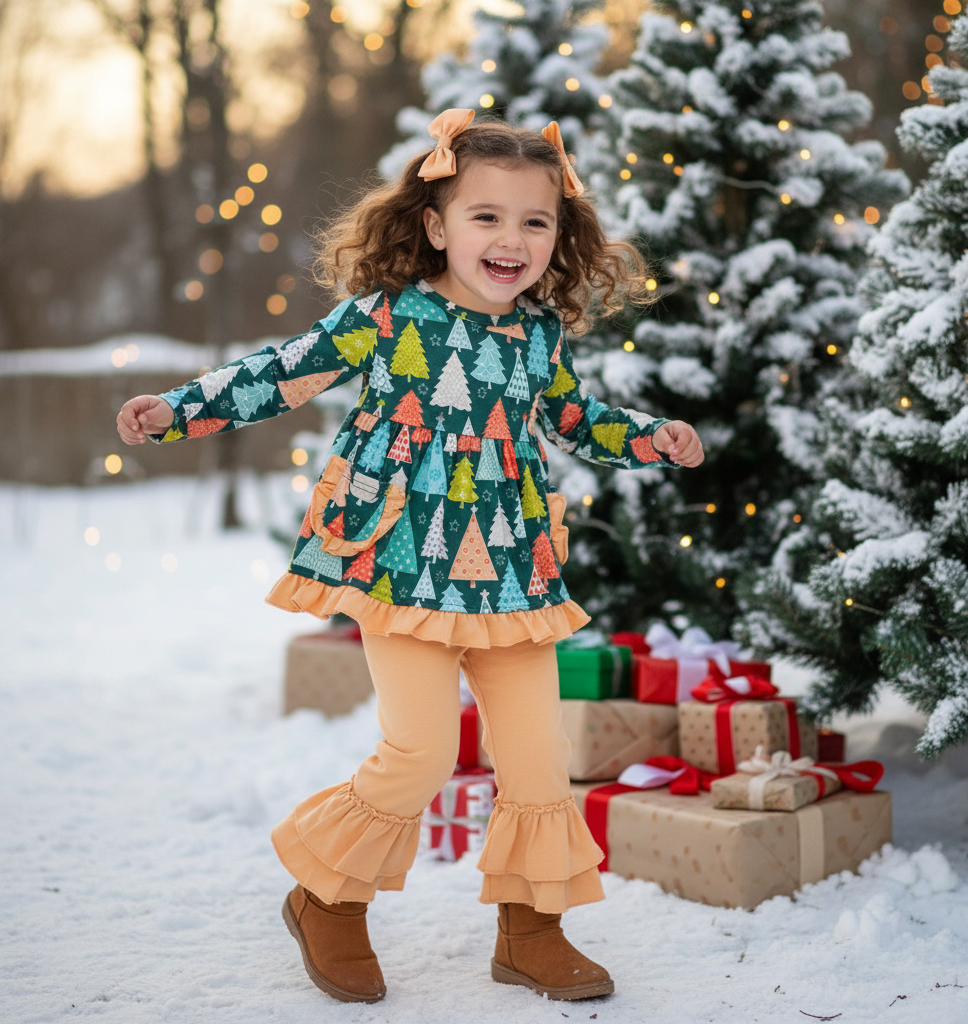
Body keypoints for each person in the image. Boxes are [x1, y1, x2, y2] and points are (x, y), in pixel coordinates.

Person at [116, 110, 703, 1005]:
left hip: (513, 573)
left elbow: (579, 421)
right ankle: (327, 899)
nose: (511, 240)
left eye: (534, 222)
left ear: (560, 235)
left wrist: (652, 438)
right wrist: (181, 408)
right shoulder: (387, 317)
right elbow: (283, 371)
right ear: (436, 225)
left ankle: (532, 929)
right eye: (487, 217)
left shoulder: (539, 336)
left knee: (539, 758)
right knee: (421, 752)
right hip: (402, 570)